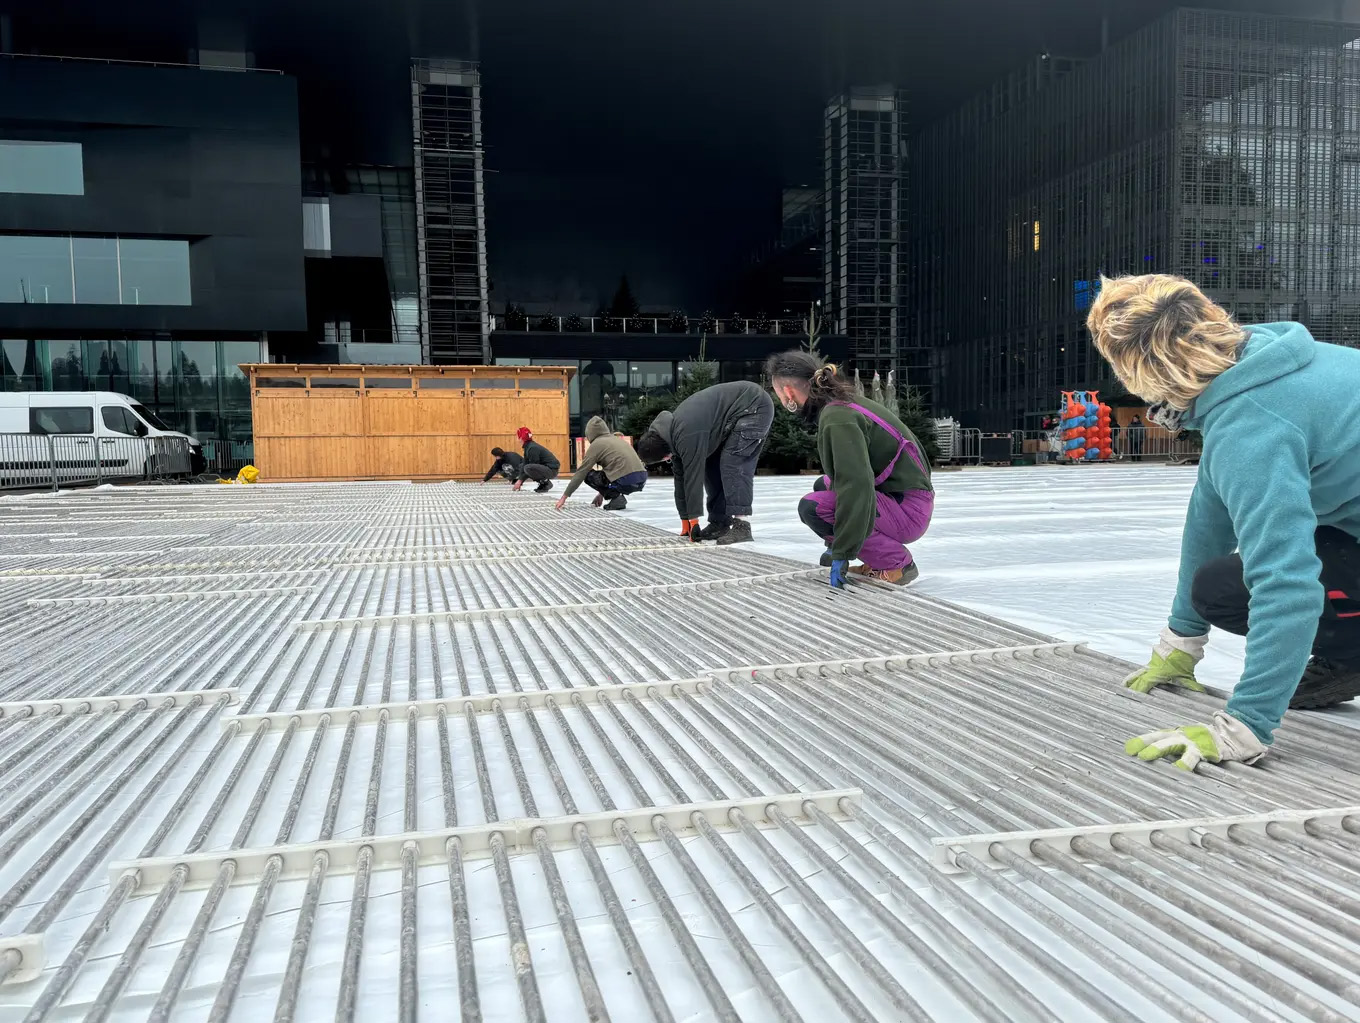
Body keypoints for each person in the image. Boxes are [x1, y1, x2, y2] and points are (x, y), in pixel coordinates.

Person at [1088, 273, 1360, 772]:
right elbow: (1208, 520)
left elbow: (1287, 581)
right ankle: (1349, 655)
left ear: (1144, 373)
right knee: (1217, 584)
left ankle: (1350, 652)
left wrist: (1246, 724)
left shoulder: (1252, 422)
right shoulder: (1265, 365)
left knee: (1239, 586)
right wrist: (1180, 644)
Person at [767, 350, 933, 587]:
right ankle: (874, 555)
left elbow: (856, 486)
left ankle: (896, 564)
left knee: (812, 507)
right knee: (822, 485)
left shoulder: (838, 417)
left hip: (907, 511)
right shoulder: (841, 404)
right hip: (906, 500)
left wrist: (842, 552)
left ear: (788, 392)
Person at [634, 380, 774, 544]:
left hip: (754, 406)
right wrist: (685, 521)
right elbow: (681, 480)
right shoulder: (671, 435)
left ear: (665, 457)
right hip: (735, 414)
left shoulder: (686, 433)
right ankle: (719, 523)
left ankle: (742, 526)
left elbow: (693, 478)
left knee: (733, 463)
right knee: (711, 466)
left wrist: (694, 520)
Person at [555, 416, 648, 511]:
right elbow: (613, 469)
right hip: (641, 479)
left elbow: (581, 472)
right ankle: (616, 497)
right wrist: (602, 493)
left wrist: (564, 497)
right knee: (606, 473)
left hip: (625, 480)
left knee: (588, 475)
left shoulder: (597, 444)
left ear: (589, 433)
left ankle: (616, 498)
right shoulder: (617, 439)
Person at [513, 426, 561, 492]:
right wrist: (520, 480)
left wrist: (520, 481)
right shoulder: (528, 447)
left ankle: (545, 483)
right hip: (547, 469)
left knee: (528, 468)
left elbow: (533, 466)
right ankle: (544, 482)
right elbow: (525, 463)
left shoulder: (532, 448)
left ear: (521, 438)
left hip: (551, 470)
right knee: (523, 466)